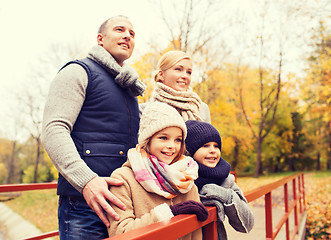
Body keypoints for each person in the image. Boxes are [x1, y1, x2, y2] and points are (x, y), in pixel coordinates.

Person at [41, 15, 146, 240]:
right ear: (100, 38)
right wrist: (86, 181)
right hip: (84, 206)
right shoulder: (78, 71)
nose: (128, 35)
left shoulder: (129, 87)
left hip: (125, 206)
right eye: (120, 29)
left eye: (132, 33)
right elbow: (54, 129)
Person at [107, 102, 209, 239]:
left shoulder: (187, 177)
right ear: (147, 140)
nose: (172, 146)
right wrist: (169, 213)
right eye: (163, 138)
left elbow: (196, 233)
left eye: (178, 140)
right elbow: (120, 233)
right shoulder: (123, 178)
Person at [185, 120, 254, 240]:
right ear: (190, 150)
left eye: (216, 146)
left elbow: (247, 224)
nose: (213, 150)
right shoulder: (178, 178)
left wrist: (224, 195)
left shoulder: (225, 180)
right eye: (205, 145)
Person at [140, 50, 211, 123]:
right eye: (178, 69)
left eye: (189, 72)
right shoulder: (143, 110)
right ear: (161, 75)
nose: (185, 76)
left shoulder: (201, 108)